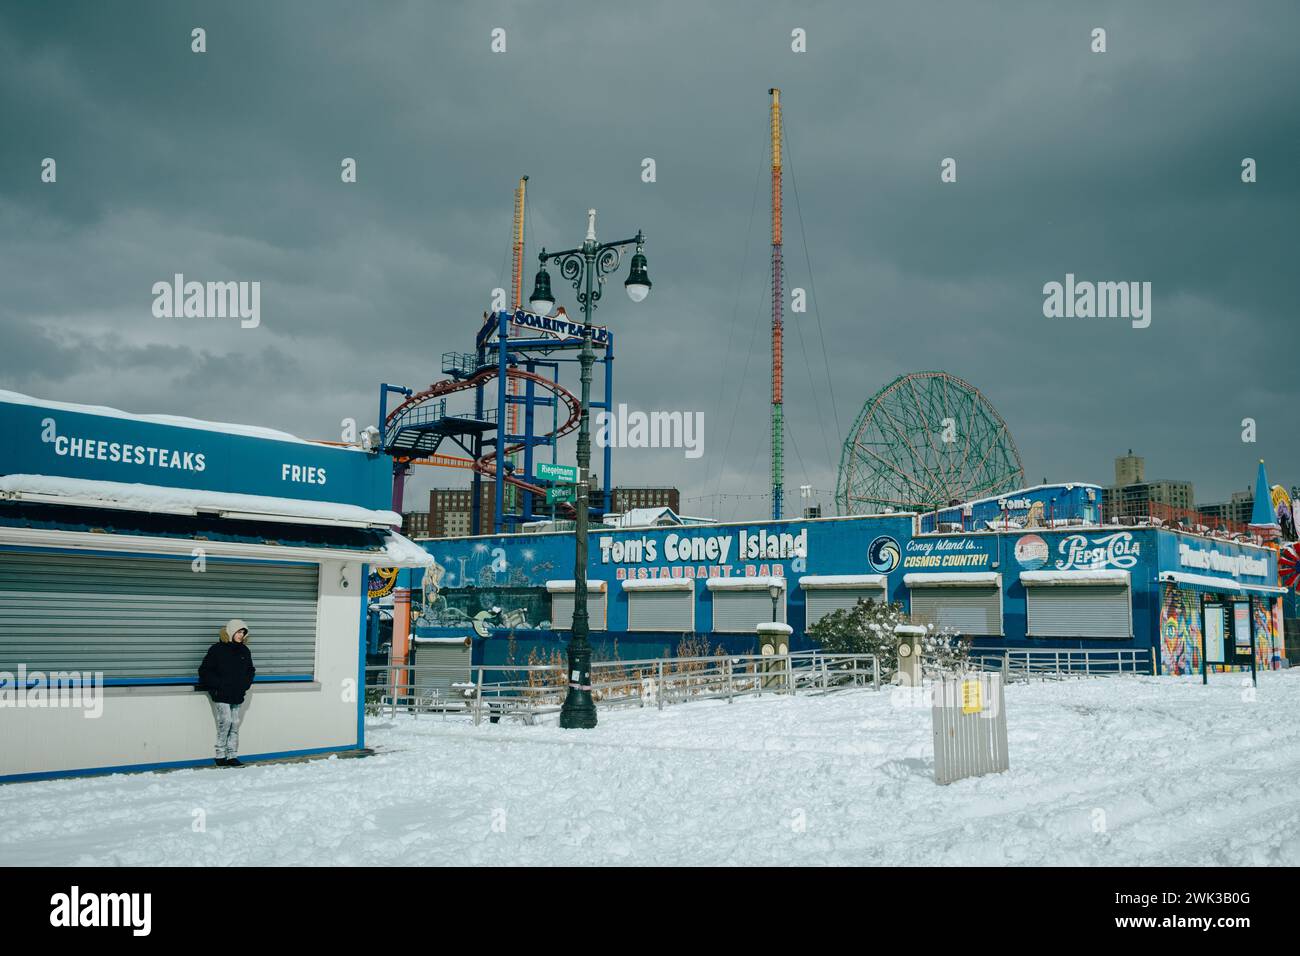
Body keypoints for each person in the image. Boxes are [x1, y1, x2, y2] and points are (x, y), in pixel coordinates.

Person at [196, 619, 256, 767]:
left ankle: (232, 756)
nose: (241, 635)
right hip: (221, 695)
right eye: (239, 632)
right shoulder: (217, 649)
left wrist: (245, 685)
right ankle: (220, 755)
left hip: (237, 694)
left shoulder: (244, 651)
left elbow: (250, 670)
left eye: (243, 632)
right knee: (225, 722)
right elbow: (204, 671)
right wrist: (218, 686)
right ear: (230, 631)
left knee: (234, 724)